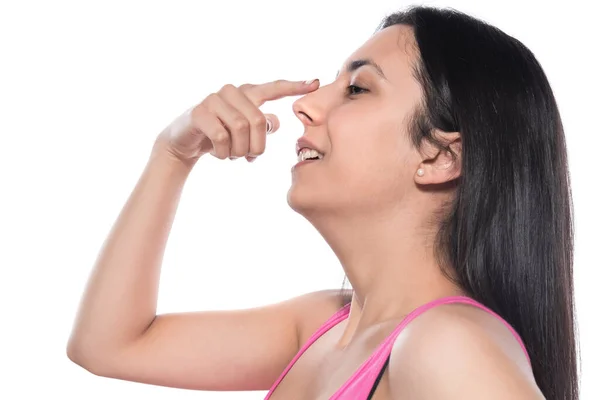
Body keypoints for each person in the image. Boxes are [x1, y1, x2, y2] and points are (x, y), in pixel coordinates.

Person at [66, 5, 578, 400]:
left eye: (357, 89)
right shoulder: (323, 326)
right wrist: (172, 153)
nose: (306, 105)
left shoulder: (446, 343)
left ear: (441, 156)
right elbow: (107, 345)